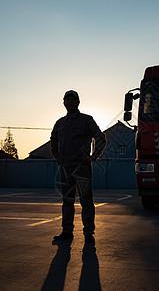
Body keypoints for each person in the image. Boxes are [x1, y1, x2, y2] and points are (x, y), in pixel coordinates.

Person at [50, 90, 106, 243]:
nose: (70, 102)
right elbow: (53, 142)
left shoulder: (86, 120)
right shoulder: (60, 123)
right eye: (67, 99)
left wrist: (93, 157)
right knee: (67, 202)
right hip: (66, 170)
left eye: (73, 99)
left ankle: (88, 233)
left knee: (86, 201)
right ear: (63, 103)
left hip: (82, 169)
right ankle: (67, 232)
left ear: (78, 102)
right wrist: (59, 160)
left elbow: (100, 138)